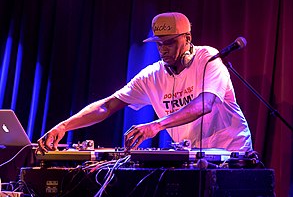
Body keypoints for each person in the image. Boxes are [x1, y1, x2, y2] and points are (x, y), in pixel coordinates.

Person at [36, 12, 253, 154]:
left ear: (187, 39)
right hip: (192, 156)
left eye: (169, 42)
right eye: (159, 43)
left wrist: (156, 125)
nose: (163, 49)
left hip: (231, 154)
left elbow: (204, 105)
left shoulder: (208, 58)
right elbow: (108, 105)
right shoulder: (152, 75)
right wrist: (64, 125)